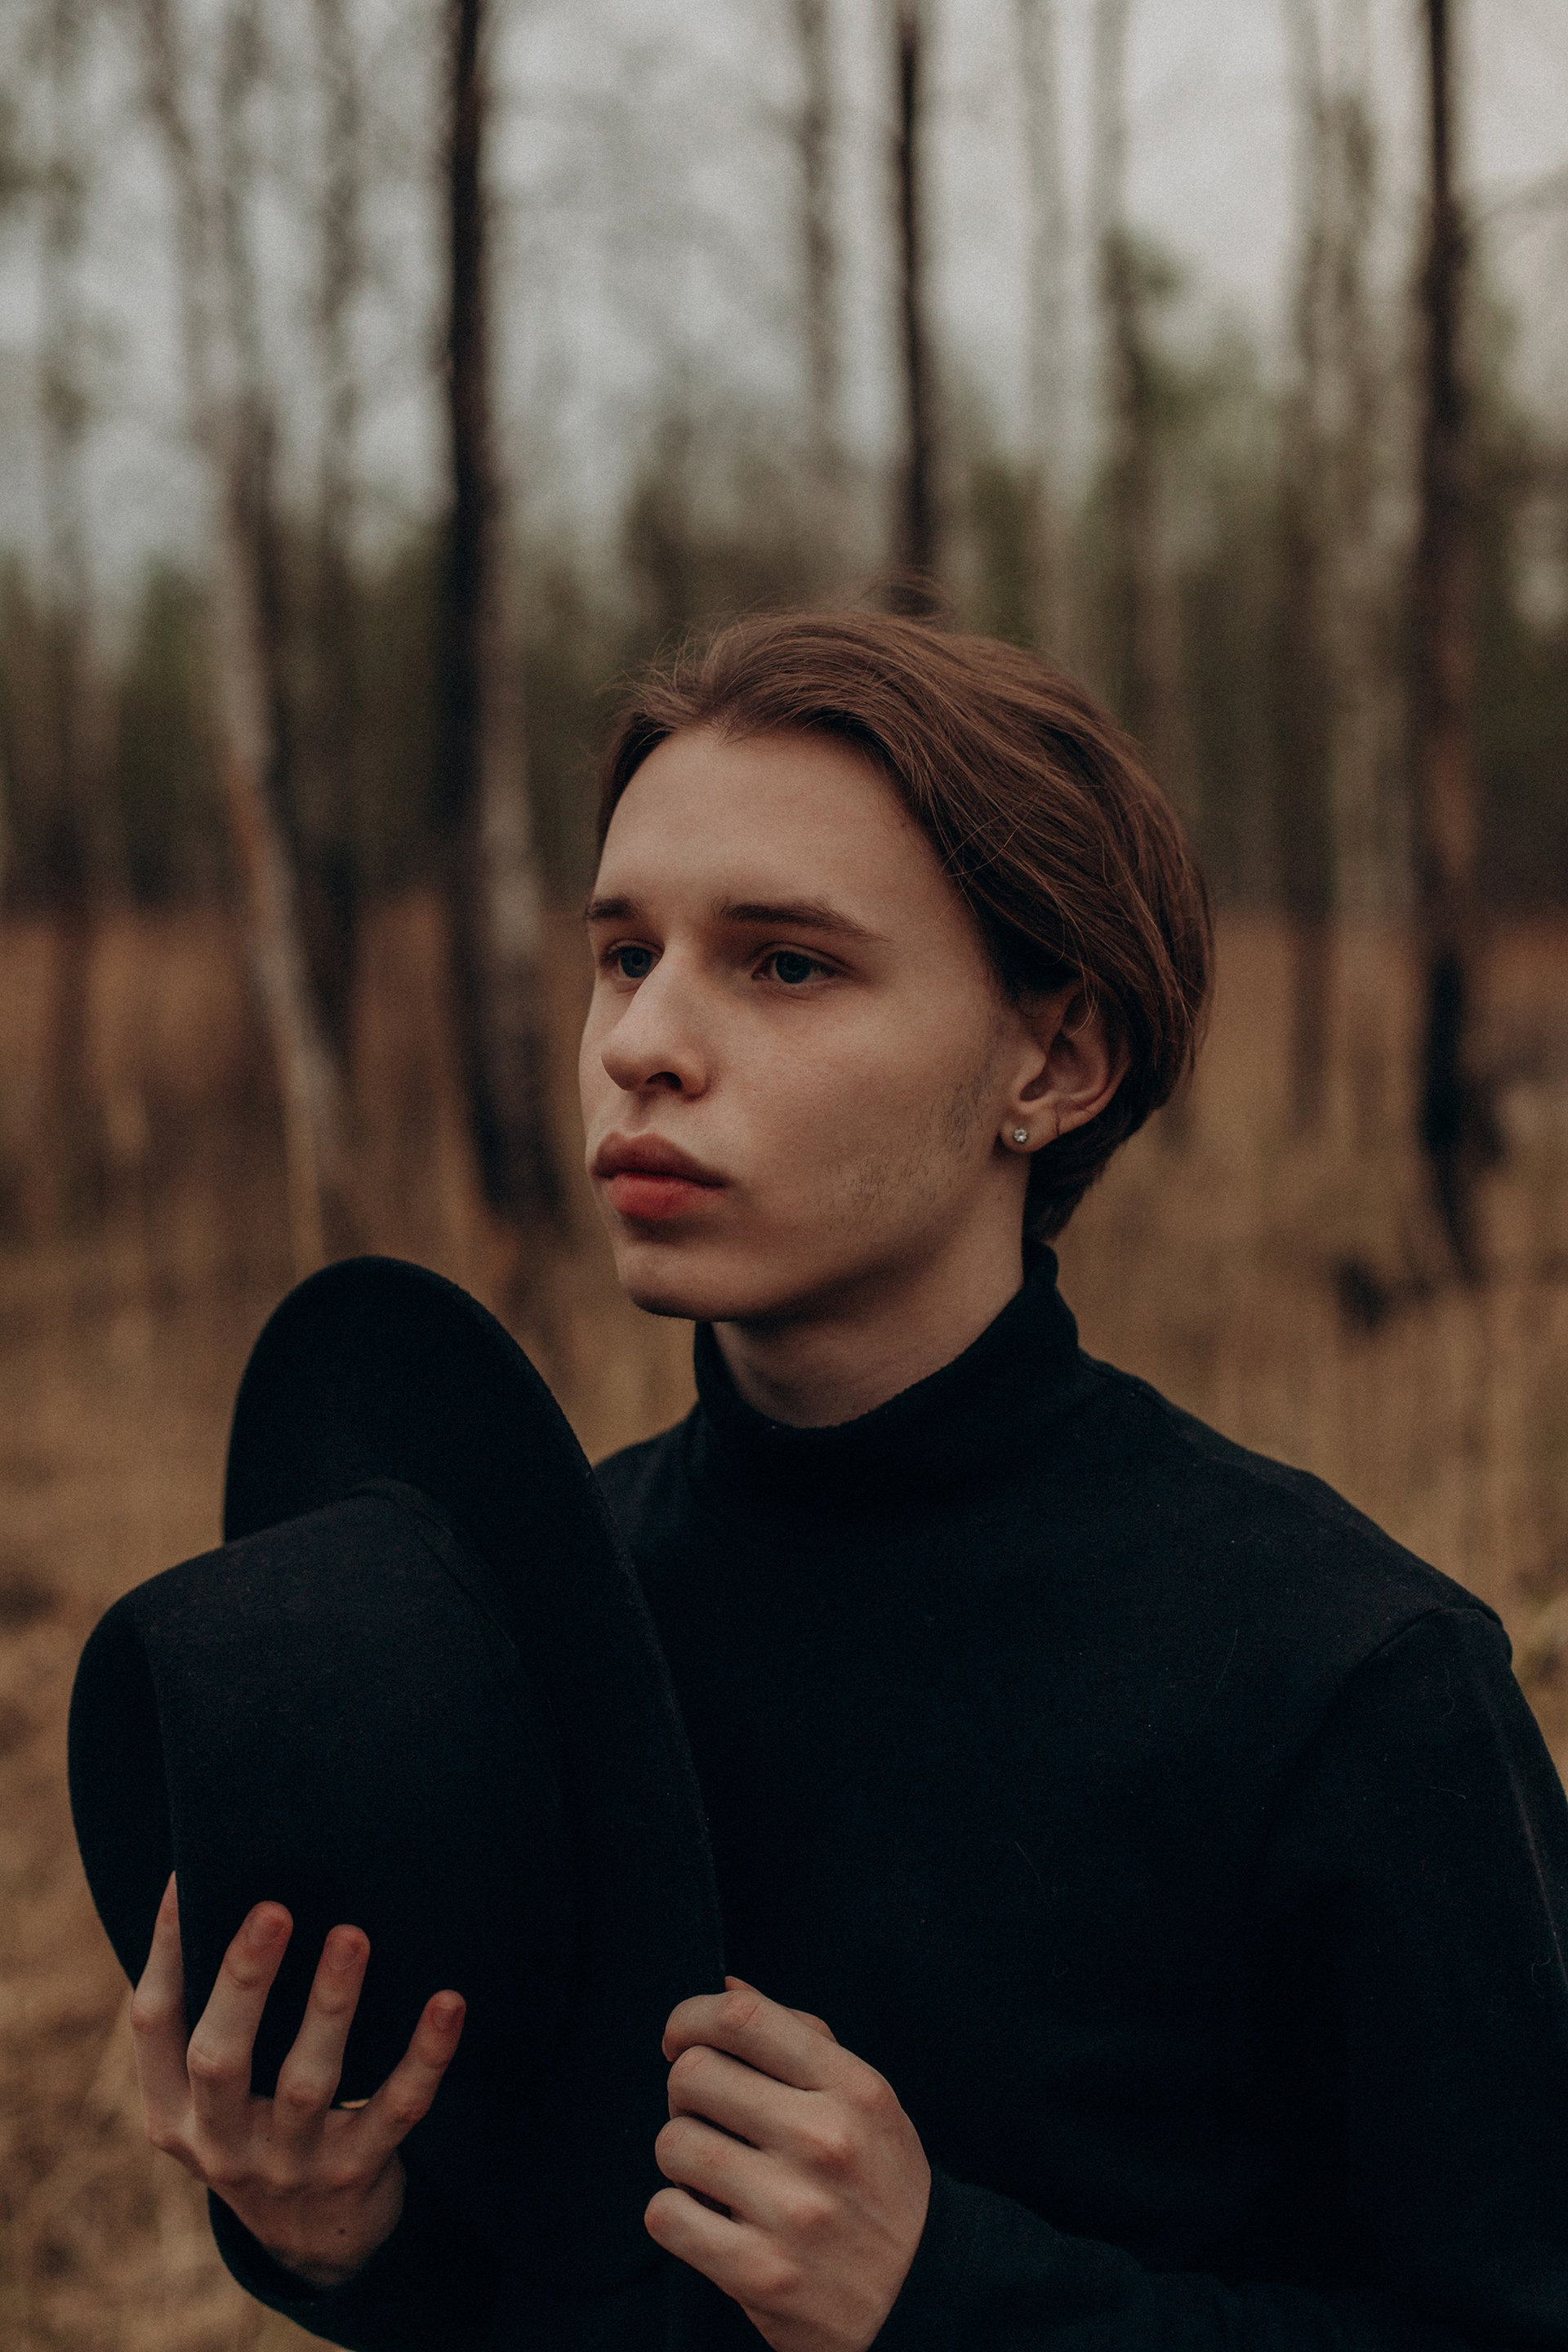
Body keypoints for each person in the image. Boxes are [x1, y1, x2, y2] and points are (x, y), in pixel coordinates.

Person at [131, 610, 1568, 2350]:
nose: (644, 1043)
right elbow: (557, 2276)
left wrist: (946, 2293)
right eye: (624, 953)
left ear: (1054, 1062)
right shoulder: (523, 1616)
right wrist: (353, 2240)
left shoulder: (1347, 1678)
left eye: (786, 965)